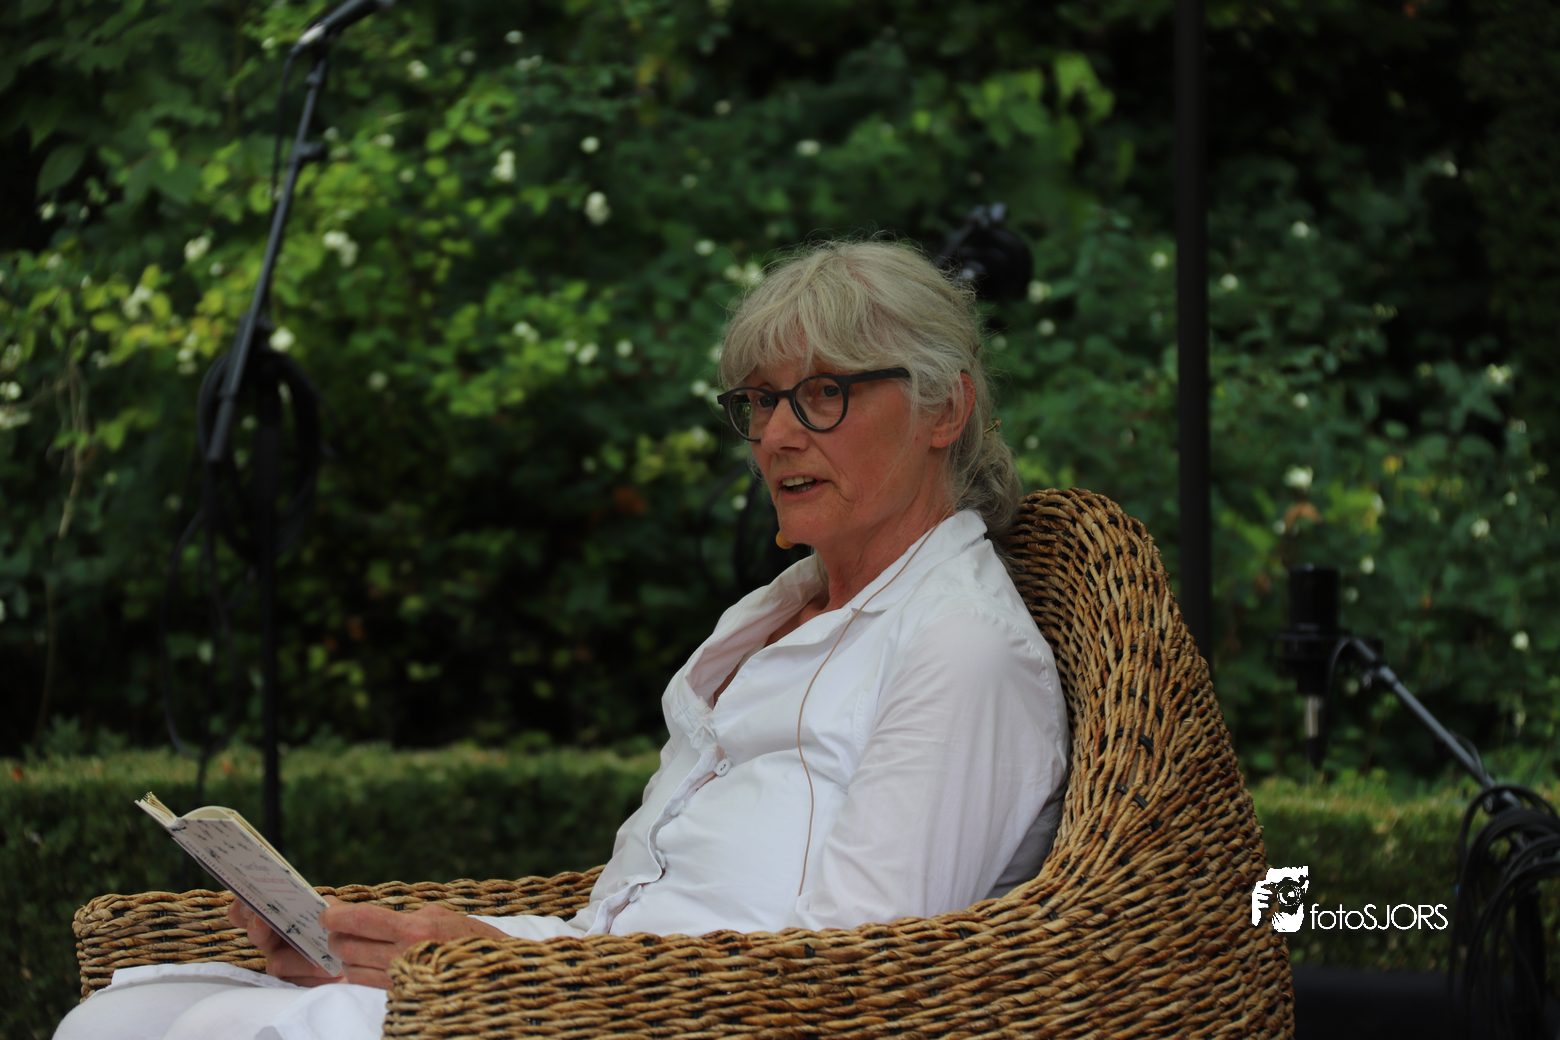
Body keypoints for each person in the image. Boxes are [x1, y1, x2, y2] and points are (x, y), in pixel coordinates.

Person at [55, 238, 1069, 1040]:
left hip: (668, 1017)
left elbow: (856, 982)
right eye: (761, 400)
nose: (776, 434)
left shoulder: (962, 648)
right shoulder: (768, 614)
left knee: (236, 1030)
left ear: (945, 407)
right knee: (122, 1016)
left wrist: (500, 967)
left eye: (825, 393)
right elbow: (621, 914)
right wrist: (402, 947)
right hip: (587, 992)